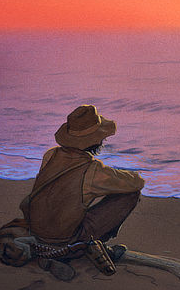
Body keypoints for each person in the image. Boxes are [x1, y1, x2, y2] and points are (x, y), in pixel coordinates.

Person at [20, 104, 144, 265]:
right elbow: (137, 182)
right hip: (65, 240)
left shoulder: (50, 155)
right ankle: (93, 242)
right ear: (98, 140)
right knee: (131, 194)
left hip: (37, 232)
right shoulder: (92, 170)